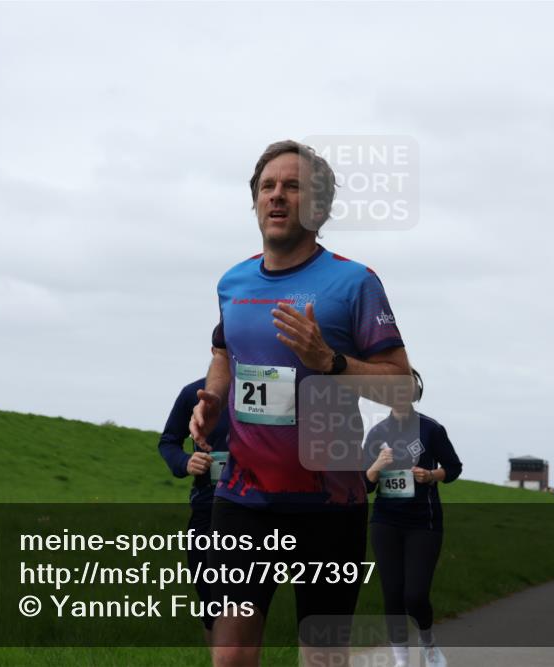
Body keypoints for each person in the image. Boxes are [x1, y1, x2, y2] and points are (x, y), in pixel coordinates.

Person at [189, 140, 412, 667]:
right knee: (230, 653)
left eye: (292, 186)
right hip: (243, 498)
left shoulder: (355, 283)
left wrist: (329, 360)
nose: (277, 196)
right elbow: (222, 352)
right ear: (255, 201)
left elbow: (402, 386)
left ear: (320, 206)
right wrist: (214, 398)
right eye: (267, 186)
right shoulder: (233, 283)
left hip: (329, 502)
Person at [364, 369, 461, 667]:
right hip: (385, 521)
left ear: (415, 393)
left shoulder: (431, 429)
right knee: (393, 594)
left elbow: (453, 468)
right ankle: (401, 659)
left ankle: (428, 643)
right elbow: (364, 484)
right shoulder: (377, 433)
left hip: (423, 523)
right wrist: (377, 465)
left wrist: (431, 475)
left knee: (415, 596)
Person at [158, 375, 231, 646]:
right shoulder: (194, 393)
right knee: (211, 602)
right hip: (208, 508)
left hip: (262, 507)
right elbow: (168, 441)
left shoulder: (275, 386)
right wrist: (186, 462)